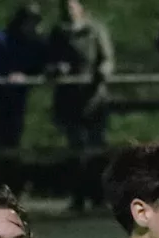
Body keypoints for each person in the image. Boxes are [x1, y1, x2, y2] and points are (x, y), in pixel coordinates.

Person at [0, 3, 47, 192]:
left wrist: (26, 77)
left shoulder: (33, 44)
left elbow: (41, 66)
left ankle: (12, 185)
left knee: (13, 142)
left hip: (16, 101)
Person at [47, 0, 114, 213]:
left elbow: (107, 58)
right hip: (69, 97)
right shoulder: (58, 33)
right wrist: (56, 69)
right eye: (65, 7)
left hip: (94, 97)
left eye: (72, 6)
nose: (69, 11)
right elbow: (49, 59)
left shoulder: (95, 30)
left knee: (96, 148)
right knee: (76, 149)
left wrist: (102, 72)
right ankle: (78, 196)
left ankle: (98, 196)